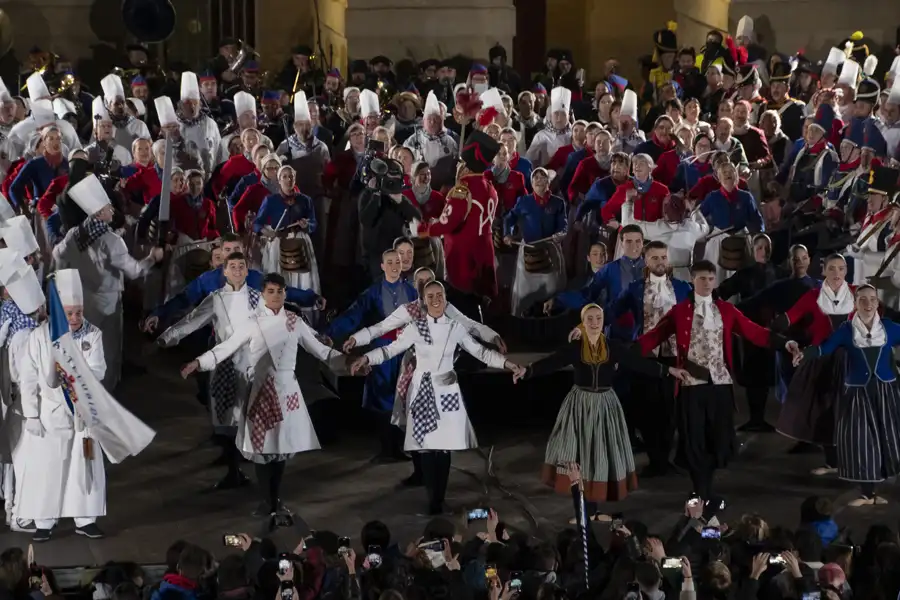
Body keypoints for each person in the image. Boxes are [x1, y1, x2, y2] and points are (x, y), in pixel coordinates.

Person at [180, 273, 342, 528]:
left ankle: (275, 499)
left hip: (286, 392)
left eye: (280, 291)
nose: (275, 296)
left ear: (285, 293)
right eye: (271, 291)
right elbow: (226, 347)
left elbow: (321, 351)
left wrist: (349, 363)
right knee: (262, 449)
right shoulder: (253, 322)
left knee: (280, 449)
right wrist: (198, 363)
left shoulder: (294, 322)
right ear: (263, 294)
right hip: (260, 392)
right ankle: (267, 500)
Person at [349, 280, 523, 515]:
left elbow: (480, 352)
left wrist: (508, 364)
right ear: (423, 300)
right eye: (430, 296)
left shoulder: (454, 327)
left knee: (444, 447)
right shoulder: (416, 327)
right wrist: (366, 358)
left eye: (439, 295)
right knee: (427, 447)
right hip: (422, 390)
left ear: (445, 298)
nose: (435, 300)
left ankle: (439, 498)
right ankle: (433, 499)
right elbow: (390, 349)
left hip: (447, 391)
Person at [636, 260, 797, 497]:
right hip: (691, 386)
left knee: (718, 440)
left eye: (711, 279)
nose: (707, 283)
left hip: (720, 384)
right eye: (702, 278)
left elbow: (753, 331)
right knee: (694, 440)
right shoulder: (680, 312)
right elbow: (653, 337)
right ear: (693, 280)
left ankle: (705, 488)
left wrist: (784, 343)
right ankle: (700, 490)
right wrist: (624, 353)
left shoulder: (726, 310)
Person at [518, 303, 688, 516]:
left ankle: (592, 508)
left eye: (598, 318)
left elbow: (637, 363)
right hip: (580, 406)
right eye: (589, 319)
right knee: (579, 456)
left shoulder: (612, 347)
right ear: (583, 322)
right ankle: (583, 509)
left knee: (598, 455)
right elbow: (552, 362)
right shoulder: (576, 348)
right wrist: (527, 371)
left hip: (605, 406)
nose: (594, 323)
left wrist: (669, 370)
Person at [16, 269, 106, 542]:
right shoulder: (39, 337)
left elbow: (98, 370)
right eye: (69, 313)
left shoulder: (93, 334)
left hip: (83, 413)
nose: (75, 318)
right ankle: (45, 520)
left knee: (85, 466)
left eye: (79, 312)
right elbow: (28, 379)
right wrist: (32, 414)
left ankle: (86, 519)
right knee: (48, 468)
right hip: (50, 415)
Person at [51, 174, 164, 390]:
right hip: (108, 304)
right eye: (108, 208)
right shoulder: (112, 241)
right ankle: (107, 394)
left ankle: (83, 390)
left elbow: (58, 254)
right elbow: (134, 271)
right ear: (99, 213)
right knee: (108, 352)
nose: (112, 211)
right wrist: (152, 257)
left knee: (85, 347)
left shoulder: (75, 234)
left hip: (83, 299)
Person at [157, 252, 260, 490]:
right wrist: (168, 337)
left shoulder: (258, 298)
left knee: (252, 420)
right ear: (224, 271)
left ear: (247, 271)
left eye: (241, 266)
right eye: (232, 266)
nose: (237, 270)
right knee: (227, 420)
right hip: (224, 364)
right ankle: (233, 471)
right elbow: (192, 320)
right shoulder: (217, 299)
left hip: (253, 364)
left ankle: (263, 478)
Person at [795, 284, 900, 506]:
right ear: (855, 304)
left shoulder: (889, 328)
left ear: (878, 303)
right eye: (863, 300)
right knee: (861, 441)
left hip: (885, 392)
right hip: (857, 393)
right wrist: (803, 355)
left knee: (888, 438)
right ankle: (867, 494)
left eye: (872, 299)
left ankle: (878, 488)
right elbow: (824, 348)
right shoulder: (846, 330)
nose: (868, 304)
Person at [328, 249, 418, 462]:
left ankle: (399, 447)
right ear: (382, 266)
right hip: (382, 348)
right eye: (390, 262)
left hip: (405, 349)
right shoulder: (373, 293)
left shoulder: (412, 292)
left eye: (398, 262)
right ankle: (387, 448)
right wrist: (330, 333)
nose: (394, 266)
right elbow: (353, 315)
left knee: (404, 395)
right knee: (382, 397)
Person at [775, 254, 856, 474]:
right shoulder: (813, 296)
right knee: (825, 410)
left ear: (846, 271)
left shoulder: (857, 293)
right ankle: (832, 462)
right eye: (832, 268)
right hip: (821, 360)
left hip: (852, 361)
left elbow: (881, 316)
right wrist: (776, 330)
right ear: (823, 271)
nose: (837, 273)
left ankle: (853, 460)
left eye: (841, 268)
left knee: (852, 411)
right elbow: (788, 318)